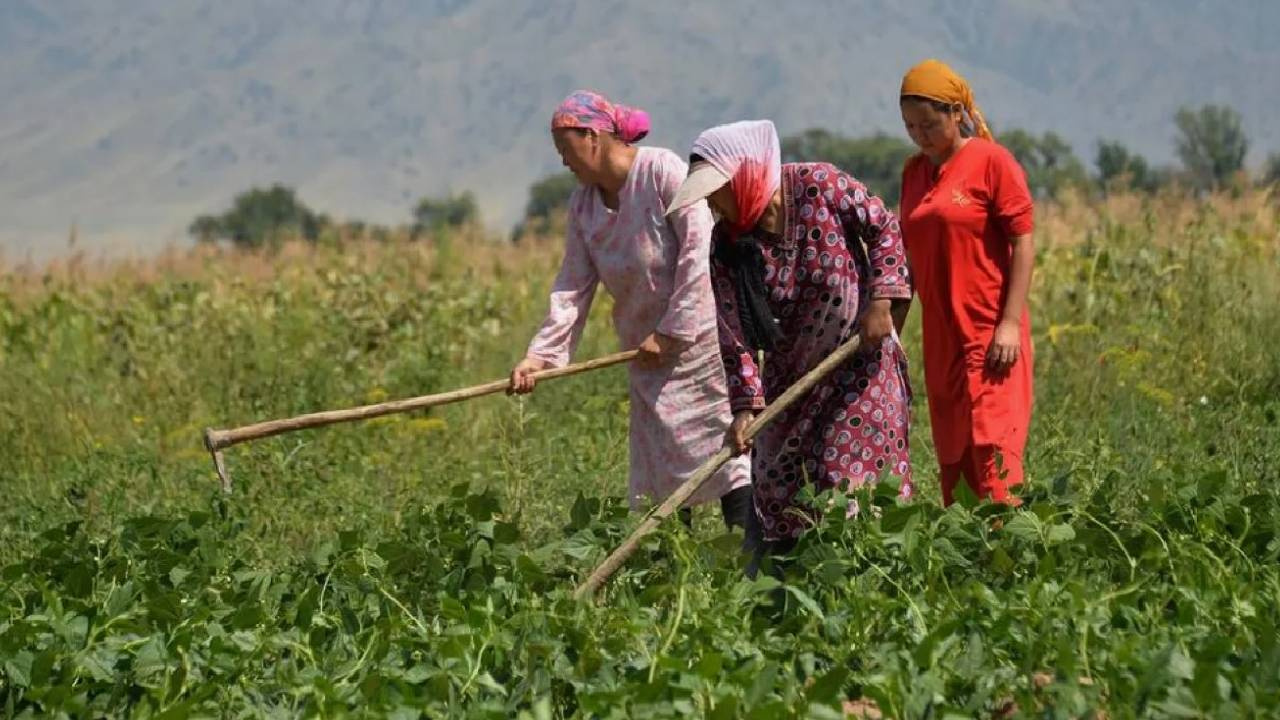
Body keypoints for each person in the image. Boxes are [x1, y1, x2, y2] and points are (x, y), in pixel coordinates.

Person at [666, 120, 913, 569]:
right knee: (779, 489)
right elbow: (733, 334)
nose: (713, 205)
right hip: (790, 386)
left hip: (859, 370)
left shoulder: (820, 186)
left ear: (744, 174)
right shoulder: (727, 245)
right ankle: (789, 601)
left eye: (717, 190)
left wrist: (883, 299)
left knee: (849, 490)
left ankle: (865, 592)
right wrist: (745, 407)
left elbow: (884, 228)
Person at [510, 90, 752, 528]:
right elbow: (573, 285)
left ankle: (752, 565)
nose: (563, 161)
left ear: (593, 137)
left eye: (566, 148)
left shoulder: (661, 171)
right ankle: (667, 581)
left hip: (701, 351)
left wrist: (673, 331)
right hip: (647, 360)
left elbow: (700, 251)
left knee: (730, 455)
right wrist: (540, 357)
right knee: (660, 480)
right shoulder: (582, 207)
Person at [897, 59, 1036, 507]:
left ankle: (1011, 561)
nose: (920, 134)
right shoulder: (913, 174)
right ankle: (966, 566)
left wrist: (1010, 322)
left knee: (994, 454)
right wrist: (892, 327)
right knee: (954, 457)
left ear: (956, 113)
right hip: (943, 339)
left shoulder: (991, 162)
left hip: (991, 334)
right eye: (910, 126)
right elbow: (908, 258)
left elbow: (1023, 241)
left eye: (929, 123)